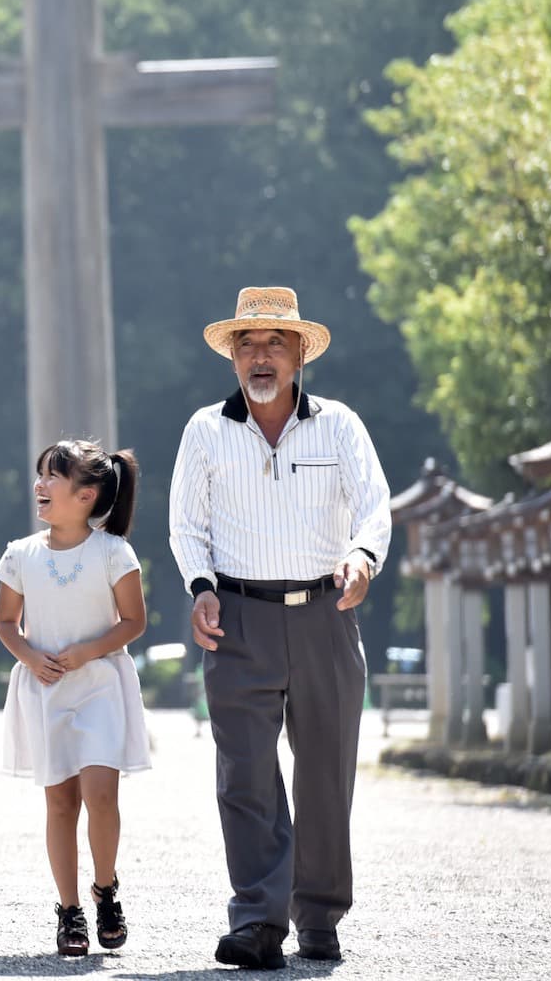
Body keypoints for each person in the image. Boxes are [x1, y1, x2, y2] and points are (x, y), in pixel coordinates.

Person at [167, 287, 391, 970]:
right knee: (245, 776)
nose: (259, 357)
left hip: (328, 615)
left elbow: (375, 505)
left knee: (326, 774)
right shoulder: (206, 429)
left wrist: (362, 556)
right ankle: (259, 922)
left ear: (300, 354)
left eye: (274, 344)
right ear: (232, 357)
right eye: (247, 345)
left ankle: (320, 918)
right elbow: (186, 525)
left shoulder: (340, 424)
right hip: (237, 620)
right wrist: (201, 587)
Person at [0, 439, 151, 957]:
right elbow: (5, 622)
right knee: (60, 803)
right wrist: (29, 656)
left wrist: (88, 652)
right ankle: (69, 911)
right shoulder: (20, 553)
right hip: (44, 689)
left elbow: (134, 621)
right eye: (40, 474)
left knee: (102, 794)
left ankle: (105, 891)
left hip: (100, 684)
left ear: (86, 495)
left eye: (51, 477)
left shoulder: (112, 551)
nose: (39, 484)